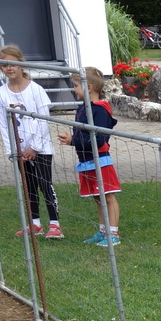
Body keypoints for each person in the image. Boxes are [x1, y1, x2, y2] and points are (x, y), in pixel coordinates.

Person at [0, 45, 61, 239]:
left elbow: (44, 119)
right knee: (28, 185)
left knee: (45, 183)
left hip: (41, 148)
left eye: (12, 63)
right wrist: (12, 150)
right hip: (20, 150)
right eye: (4, 65)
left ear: (21, 64)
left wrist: (34, 147)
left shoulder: (36, 90)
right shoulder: (0, 94)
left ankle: (55, 224)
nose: (9, 68)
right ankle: (35, 223)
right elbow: (3, 125)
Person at [56, 66, 121, 247]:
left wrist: (73, 141)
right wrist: (72, 141)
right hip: (86, 161)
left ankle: (113, 234)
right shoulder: (83, 108)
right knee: (97, 197)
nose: (73, 89)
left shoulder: (99, 110)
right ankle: (103, 231)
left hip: (100, 160)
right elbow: (82, 137)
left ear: (89, 87)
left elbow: (99, 139)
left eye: (76, 85)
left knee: (107, 196)